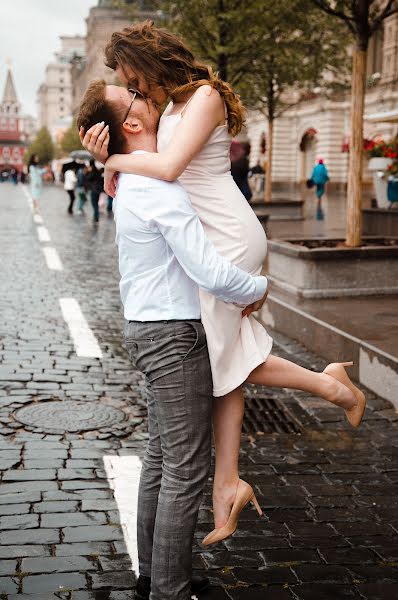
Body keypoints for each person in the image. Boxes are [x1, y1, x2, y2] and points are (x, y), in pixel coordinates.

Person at [80, 20, 366, 549]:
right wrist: (116, 162)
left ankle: (312, 400)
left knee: (225, 357)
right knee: (225, 358)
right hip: (210, 231)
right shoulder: (168, 109)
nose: (133, 89)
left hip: (228, 234)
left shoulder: (204, 96)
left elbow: (166, 167)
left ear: (150, 61)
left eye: (131, 77)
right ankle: (230, 479)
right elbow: (154, 162)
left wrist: (110, 161)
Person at [77, 80, 268, 600]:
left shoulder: (135, 182)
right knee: (186, 468)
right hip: (174, 335)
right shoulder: (157, 188)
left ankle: (153, 578)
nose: (147, 95)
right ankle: (170, 589)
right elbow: (207, 270)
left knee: (163, 457)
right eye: (135, 95)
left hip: (148, 327)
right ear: (133, 124)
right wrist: (259, 287)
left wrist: (109, 165)